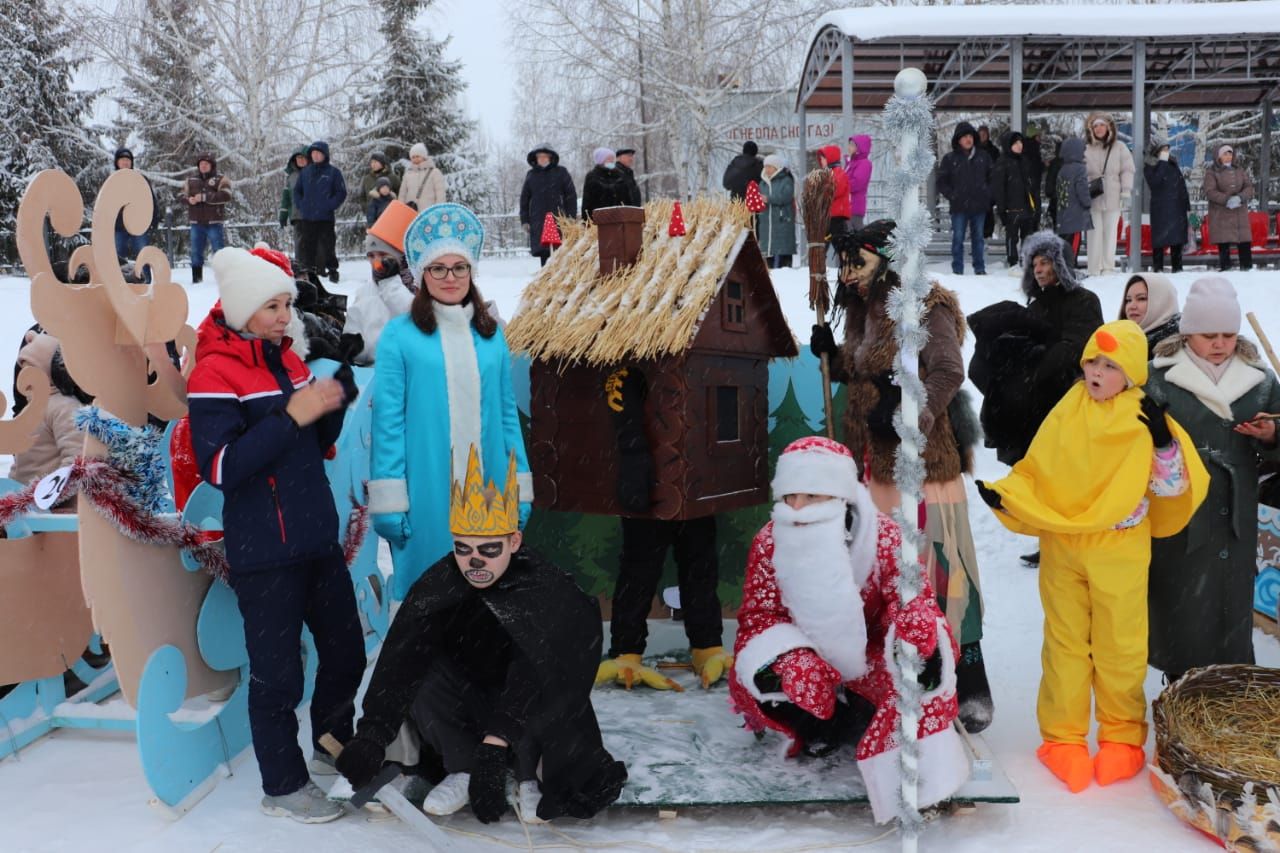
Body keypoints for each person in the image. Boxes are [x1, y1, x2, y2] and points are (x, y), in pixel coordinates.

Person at [334, 447, 627, 823]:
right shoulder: (440, 584)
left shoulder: (544, 587)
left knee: (543, 678)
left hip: (524, 702)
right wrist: (373, 734)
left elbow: (539, 668)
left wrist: (496, 744)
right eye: (464, 548)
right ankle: (462, 766)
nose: (475, 561)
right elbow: (403, 658)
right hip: (468, 700)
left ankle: (527, 772)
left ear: (514, 543)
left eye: (489, 549)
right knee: (424, 669)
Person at [976, 320, 1206, 793]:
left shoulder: (1141, 416)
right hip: (1065, 545)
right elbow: (1040, 468)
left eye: (1109, 365)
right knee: (1064, 643)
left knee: (1120, 645)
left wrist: (1164, 444)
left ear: (1132, 373)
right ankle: (1062, 738)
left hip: (1118, 548)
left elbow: (1171, 488)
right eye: (1091, 362)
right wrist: (1009, 495)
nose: (1096, 372)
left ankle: (1122, 737)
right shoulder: (1068, 408)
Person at [187, 245, 365, 823]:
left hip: (316, 537)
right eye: (274, 305)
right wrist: (292, 413)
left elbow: (310, 446)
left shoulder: (286, 361)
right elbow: (222, 468)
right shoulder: (214, 373)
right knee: (278, 675)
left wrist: (335, 394)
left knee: (346, 651)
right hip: (266, 553)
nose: (286, 316)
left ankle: (333, 746)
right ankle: (283, 786)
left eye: (288, 304)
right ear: (243, 310)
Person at [810, 220, 992, 733]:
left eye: (858, 263)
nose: (847, 274)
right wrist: (833, 356)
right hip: (875, 466)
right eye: (844, 265)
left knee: (941, 567)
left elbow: (948, 370)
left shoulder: (922, 304)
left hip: (922, 465)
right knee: (885, 570)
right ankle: (892, 676)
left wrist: (909, 410)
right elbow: (863, 368)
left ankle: (969, 673)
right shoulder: (862, 310)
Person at [728, 436, 969, 824]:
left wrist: (913, 625)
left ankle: (919, 781)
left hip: (868, 652)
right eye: (790, 496)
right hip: (803, 649)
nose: (797, 508)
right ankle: (821, 723)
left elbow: (911, 597)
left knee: (915, 674)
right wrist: (789, 660)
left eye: (811, 496)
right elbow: (760, 616)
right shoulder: (770, 541)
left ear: (839, 496)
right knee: (789, 686)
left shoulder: (886, 537)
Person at [369, 203, 531, 600]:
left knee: (487, 595)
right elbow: (388, 423)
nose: (450, 277)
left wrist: (518, 486)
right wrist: (390, 498)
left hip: (489, 486)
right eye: (438, 268)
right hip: (427, 485)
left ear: (471, 272)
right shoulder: (400, 336)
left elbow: (507, 415)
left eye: (459, 267)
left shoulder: (491, 334)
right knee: (430, 593)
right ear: (422, 273)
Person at [1146, 276, 1280, 682]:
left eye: (1227, 333)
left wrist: (1271, 435)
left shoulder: (1259, 380)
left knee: (1231, 597)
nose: (1219, 343)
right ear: (1188, 333)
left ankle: (1232, 682)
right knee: (1181, 594)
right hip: (1181, 502)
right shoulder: (1158, 376)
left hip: (1235, 507)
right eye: (1208, 335)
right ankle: (1181, 678)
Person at [968, 232, 1104, 567]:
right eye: (1035, 263)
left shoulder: (1085, 301)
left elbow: (1080, 346)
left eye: (1046, 262)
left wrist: (1036, 364)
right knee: (1042, 475)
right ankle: (1050, 539)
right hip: (1034, 406)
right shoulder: (1036, 304)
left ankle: (1071, 540)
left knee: (1067, 478)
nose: (1040, 269)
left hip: (1069, 401)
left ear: (1061, 264)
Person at [594, 363, 730, 693]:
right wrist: (634, 462)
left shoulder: (701, 370)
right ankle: (626, 651)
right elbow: (620, 415)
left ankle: (707, 646)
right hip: (647, 490)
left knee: (700, 565)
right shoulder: (626, 371)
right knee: (639, 570)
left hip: (693, 485)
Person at [341, 200, 417, 366]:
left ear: (402, 257)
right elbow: (356, 326)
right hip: (374, 373)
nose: (376, 262)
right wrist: (354, 346)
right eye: (371, 255)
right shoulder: (365, 292)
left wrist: (391, 284)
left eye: (383, 254)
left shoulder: (418, 290)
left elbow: (416, 321)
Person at [8, 332, 86, 495]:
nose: (24, 375)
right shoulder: (30, 408)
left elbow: (76, 458)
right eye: (23, 368)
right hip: (24, 503)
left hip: (51, 507)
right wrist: (10, 494)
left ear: (50, 371)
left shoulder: (65, 407)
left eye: (32, 368)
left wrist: (52, 497)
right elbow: (20, 462)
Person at [937, 121, 993, 275]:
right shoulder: (950, 158)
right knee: (958, 239)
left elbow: (993, 178)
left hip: (979, 205)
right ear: (958, 139)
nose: (968, 139)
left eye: (970, 136)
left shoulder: (984, 157)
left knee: (978, 239)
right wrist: (952, 195)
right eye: (964, 137)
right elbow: (941, 182)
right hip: (959, 206)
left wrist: (987, 193)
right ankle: (957, 269)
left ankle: (980, 268)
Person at [1083, 112, 1135, 276]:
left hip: (1113, 194)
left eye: (1102, 125)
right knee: (1093, 233)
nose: (1099, 129)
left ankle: (1108, 266)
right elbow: (1080, 173)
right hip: (1093, 195)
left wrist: (1126, 190)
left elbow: (1128, 169)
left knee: (1111, 232)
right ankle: (1093, 268)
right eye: (1095, 125)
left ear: (1109, 127)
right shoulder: (1086, 148)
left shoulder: (1119, 147)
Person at [294, 141, 348, 284]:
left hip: (326, 217)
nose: (316, 155)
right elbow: (297, 191)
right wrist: (302, 205)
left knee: (328, 244)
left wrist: (330, 205)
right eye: (313, 153)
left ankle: (332, 270)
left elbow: (341, 192)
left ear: (325, 155)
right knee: (308, 245)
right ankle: (310, 270)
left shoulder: (333, 172)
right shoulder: (305, 172)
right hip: (308, 217)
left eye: (319, 153)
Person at [519, 143, 577, 267]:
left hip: (559, 219)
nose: (542, 159)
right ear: (536, 158)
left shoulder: (561, 172)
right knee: (544, 254)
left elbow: (570, 196)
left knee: (561, 253)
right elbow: (524, 200)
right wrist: (525, 220)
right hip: (539, 220)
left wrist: (570, 217)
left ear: (551, 157)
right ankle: (547, 281)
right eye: (540, 156)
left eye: (545, 156)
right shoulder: (531, 175)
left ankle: (560, 282)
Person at [177, 152, 232, 284]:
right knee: (196, 252)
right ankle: (197, 280)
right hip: (196, 223)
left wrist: (205, 197)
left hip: (214, 221)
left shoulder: (221, 179)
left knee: (218, 252)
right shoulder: (190, 180)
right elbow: (179, 195)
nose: (203, 166)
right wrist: (188, 200)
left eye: (206, 164)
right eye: (201, 164)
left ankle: (223, 279)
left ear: (212, 166)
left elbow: (226, 195)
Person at [1203, 143, 1255, 272]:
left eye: (1230, 153)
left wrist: (1240, 197)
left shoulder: (1239, 170)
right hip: (1221, 213)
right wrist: (1227, 200)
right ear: (1219, 156)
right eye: (1225, 154)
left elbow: (1249, 187)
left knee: (1244, 241)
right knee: (1224, 241)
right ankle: (1226, 269)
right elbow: (1210, 191)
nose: (1228, 156)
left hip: (1239, 212)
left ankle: (1247, 268)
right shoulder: (1212, 172)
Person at [990, 131, 1038, 270]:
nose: (1020, 145)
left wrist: (1035, 205)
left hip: (1027, 207)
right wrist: (1002, 208)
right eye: (1016, 143)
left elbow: (1031, 185)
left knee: (1027, 236)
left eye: (1021, 142)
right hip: (1012, 208)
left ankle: (1025, 260)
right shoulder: (1002, 162)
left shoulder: (1025, 161)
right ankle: (1012, 262)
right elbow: (999, 188)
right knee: (1012, 237)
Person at [1144, 143, 1190, 273]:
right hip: (1161, 208)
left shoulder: (1173, 164)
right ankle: (1158, 268)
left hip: (1177, 207)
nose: (1166, 152)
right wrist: (1162, 162)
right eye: (1163, 149)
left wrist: (1186, 205)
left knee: (1177, 240)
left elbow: (1181, 184)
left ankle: (1178, 267)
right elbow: (1155, 182)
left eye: (1167, 149)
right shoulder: (1150, 165)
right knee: (1159, 240)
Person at [110, 148, 157, 273]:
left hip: (139, 225)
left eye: (128, 160)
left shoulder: (140, 179)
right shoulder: (111, 181)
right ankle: (119, 283)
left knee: (143, 254)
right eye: (122, 160)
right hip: (119, 226)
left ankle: (146, 282)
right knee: (117, 256)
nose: (125, 162)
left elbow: (151, 201)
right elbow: (105, 204)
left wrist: (153, 221)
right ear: (117, 162)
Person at [1119, 273, 1181, 357]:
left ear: (1162, 302)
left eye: (1141, 298)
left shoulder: (1169, 351)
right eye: (1128, 300)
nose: (1131, 306)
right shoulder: (1120, 339)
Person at [1053, 138, 1093, 267]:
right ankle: (1071, 266)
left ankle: (1064, 264)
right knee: (1075, 242)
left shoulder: (1062, 168)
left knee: (1065, 242)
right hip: (1076, 213)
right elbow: (1082, 188)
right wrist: (1087, 202)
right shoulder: (1080, 168)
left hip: (1064, 213)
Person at [759, 153, 796, 269]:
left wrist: (768, 199)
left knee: (783, 249)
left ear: (776, 167)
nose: (767, 169)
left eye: (770, 166)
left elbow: (786, 196)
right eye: (765, 166)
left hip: (782, 220)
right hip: (766, 221)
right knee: (768, 251)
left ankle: (786, 271)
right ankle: (769, 271)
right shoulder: (762, 182)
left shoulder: (786, 180)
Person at [581, 147, 630, 221]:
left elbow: (627, 197)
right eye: (608, 158)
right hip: (600, 219)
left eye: (612, 158)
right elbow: (587, 200)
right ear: (601, 160)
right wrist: (586, 220)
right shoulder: (592, 176)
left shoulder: (619, 175)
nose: (611, 161)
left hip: (620, 218)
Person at [278, 147, 310, 260]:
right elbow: (286, 198)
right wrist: (283, 216)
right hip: (297, 216)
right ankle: (301, 269)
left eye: (303, 157)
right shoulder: (291, 177)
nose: (301, 160)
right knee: (299, 245)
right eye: (298, 158)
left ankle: (314, 269)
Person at [398, 143, 446, 212]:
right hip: (411, 213)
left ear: (424, 157)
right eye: (413, 157)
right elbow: (402, 194)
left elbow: (440, 193)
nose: (415, 159)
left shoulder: (434, 172)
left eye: (417, 156)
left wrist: (438, 210)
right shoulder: (407, 174)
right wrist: (401, 209)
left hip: (429, 213)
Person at [817, 145, 851, 240]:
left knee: (838, 243)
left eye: (823, 158)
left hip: (837, 217)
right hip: (830, 217)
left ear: (830, 158)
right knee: (824, 242)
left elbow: (835, 190)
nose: (821, 161)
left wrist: (820, 193)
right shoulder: (828, 174)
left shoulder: (839, 173)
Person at [977, 125, 1001, 239]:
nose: (982, 137)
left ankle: (988, 233)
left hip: (989, 186)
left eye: (984, 134)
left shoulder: (994, 151)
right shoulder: (973, 150)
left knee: (988, 212)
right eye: (980, 134)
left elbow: (998, 168)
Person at [844, 134, 873, 230]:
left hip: (854, 207)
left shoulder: (864, 163)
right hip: (847, 207)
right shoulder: (851, 163)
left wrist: (841, 185)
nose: (849, 147)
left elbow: (857, 183)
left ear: (860, 147)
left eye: (852, 145)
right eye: (849, 144)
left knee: (854, 237)